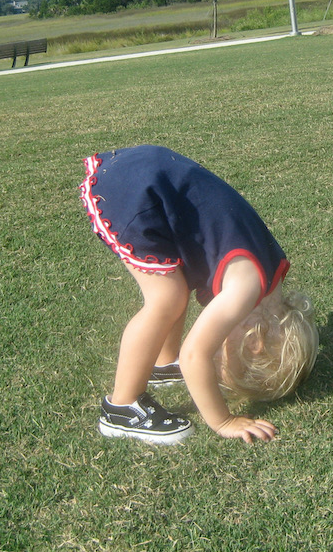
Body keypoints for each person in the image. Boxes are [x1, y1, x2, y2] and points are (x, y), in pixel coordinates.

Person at [79, 145, 318, 445]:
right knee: (166, 299)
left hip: (151, 176)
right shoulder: (245, 289)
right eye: (223, 359)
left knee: (176, 289)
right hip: (134, 193)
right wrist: (224, 420)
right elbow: (194, 355)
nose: (216, 352)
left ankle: (164, 365)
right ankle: (121, 408)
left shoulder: (272, 270)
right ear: (254, 342)